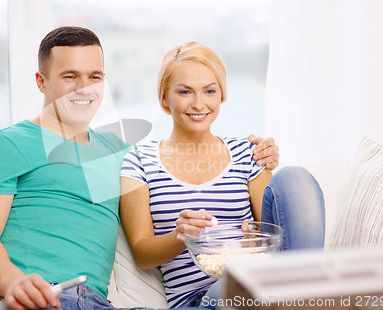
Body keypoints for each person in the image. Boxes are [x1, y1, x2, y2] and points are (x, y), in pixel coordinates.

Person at [0, 27, 279, 310]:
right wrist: (13, 283)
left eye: (95, 77)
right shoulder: (4, 145)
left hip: (93, 301)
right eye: (70, 76)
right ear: (41, 82)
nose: (84, 88)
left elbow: (179, 171)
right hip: (20, 297)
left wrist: (262, 152)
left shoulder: (121, 155)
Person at [119, 41, 325, 308]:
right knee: (235, 285)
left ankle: (307, 298)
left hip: (261, 289)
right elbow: (142, 252)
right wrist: (181, 235)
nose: (198, 103)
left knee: (295, 177)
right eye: (184, 92)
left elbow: (276, 235)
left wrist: (253, 244)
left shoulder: (246, 153)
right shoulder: (138, 160)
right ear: (164, 98)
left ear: (221, 96)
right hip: (199, 301)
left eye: (209, 91)